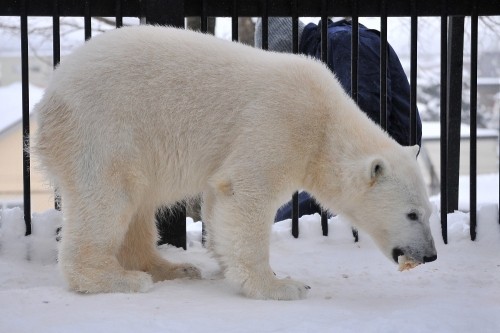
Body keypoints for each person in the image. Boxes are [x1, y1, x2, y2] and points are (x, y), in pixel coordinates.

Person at [255, 17, 422, 222]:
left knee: (283, 225)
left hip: (380, 172)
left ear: (283, 50)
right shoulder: (325, 52)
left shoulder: (343, 43)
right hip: (371, 169)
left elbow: (366, 123)